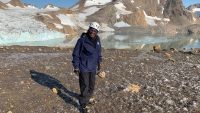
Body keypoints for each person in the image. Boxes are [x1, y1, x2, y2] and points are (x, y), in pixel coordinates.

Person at [72, 22, 102, 113]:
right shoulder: (82, 40)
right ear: (89, 29)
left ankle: (87, 99)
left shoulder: (97, 39)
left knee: (91, 86)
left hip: (93, 67)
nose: (93, 32)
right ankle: (83, 104)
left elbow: (98, 52)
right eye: (91, 30)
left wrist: (99, 64)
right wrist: (76, 66)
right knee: (85, 86)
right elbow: (76, 54)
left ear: (97, 32)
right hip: (83, 66)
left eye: (95, 31)